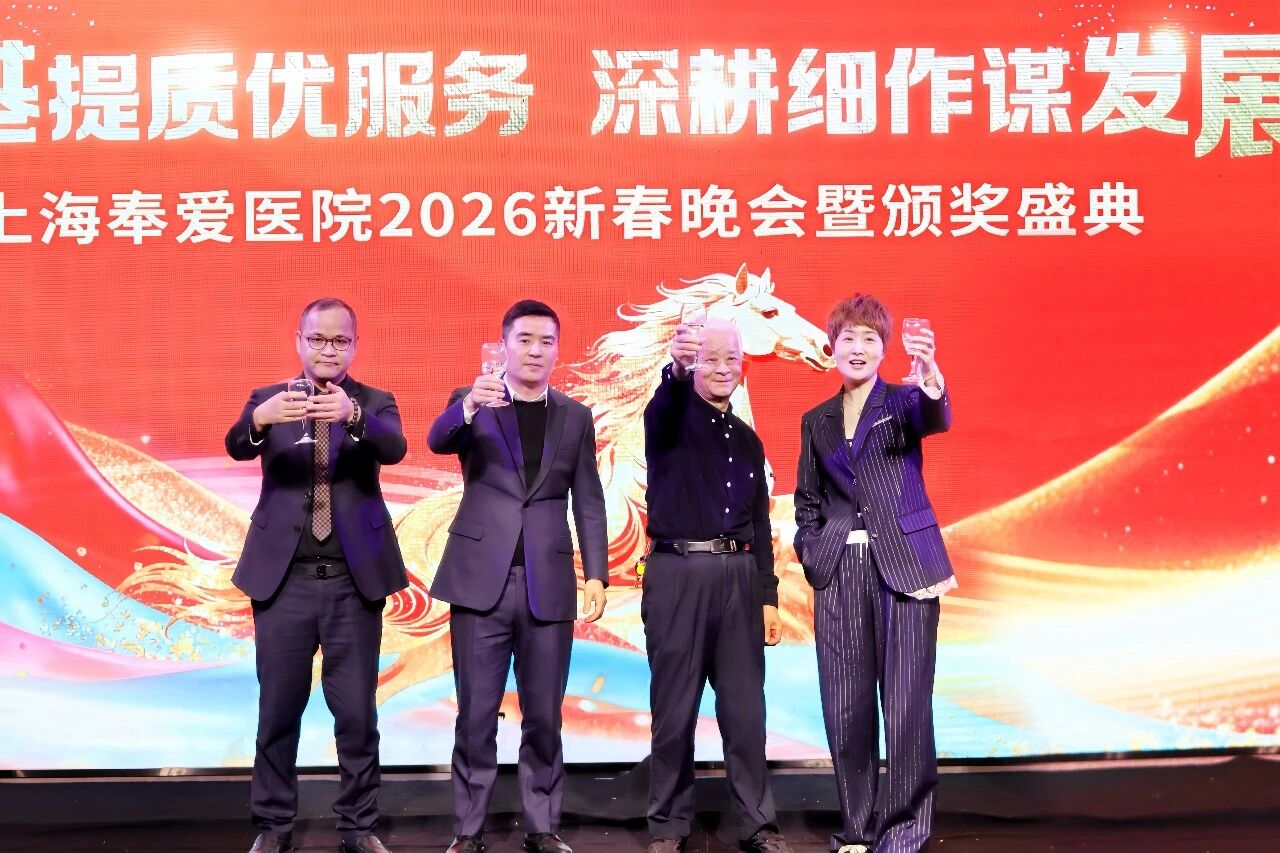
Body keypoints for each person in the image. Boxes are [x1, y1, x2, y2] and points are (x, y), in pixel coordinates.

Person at [227, 297, 408, 853]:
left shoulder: (374, 402)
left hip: (354, 583)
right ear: (299, 342)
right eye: (318, 339)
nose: (328, 350)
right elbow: (236, 446)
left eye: (340, 341)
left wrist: (353, 416)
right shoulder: (269, 399)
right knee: (278, 711)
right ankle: (273, 826)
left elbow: (395, 448)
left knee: (356, 713)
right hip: (285, 582)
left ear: (354, 346)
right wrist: (260, 420)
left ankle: (358, 826)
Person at [427, 299, 609, 853]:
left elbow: (590, 501)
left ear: (557, 350)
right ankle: (468, 830)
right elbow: (437, 440)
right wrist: (466, 408)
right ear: (504, 344)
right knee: (475, 714)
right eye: (524, 339)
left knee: (545, 715)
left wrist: (597, 574)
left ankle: (542, 826)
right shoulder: (474, 402)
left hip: (547, 582)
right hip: (480, 581)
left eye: (546, 342)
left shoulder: (575, 416)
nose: (535, 351)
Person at [793, 295, 955, 853]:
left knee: (907, 705)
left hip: (906, 568)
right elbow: (808, 501)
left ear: (884, 349)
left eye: (869, 339)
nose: (857, 349)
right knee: (846, 706)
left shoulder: (905, 402)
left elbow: (935, 416)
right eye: (848, 339)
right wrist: (815, 550)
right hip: (841, 570)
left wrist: (929, 374)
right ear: (832, 347)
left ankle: (904, 830)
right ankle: (858, 830)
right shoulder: (816, 420)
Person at [641, 315, 793, 853]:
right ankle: (667, 826)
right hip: (677, 573)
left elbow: (759, 524)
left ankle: (758, 824)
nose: (723, 368)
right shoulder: (670, 417)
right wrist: (678, 370)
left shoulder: (749, 442)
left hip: (738, 579)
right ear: (695, 362)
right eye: (711, 358)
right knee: (674, 710)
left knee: (746, 712)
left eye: (732, 358)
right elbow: (667, 399)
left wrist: (767, 597)